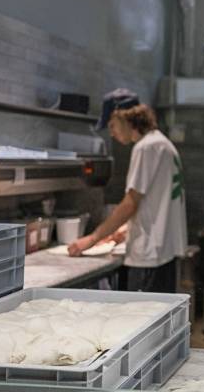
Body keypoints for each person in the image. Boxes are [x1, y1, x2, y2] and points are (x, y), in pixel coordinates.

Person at [69, 89, 187, 293]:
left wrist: (91, 239)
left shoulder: (145, 147)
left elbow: (131, 203)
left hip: (150, 256)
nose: (112, 133)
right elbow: (156, 201)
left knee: (145, 320)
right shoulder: (162, 143)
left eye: (112, 125)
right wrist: (123, 231)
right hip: (164, 253)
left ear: (121, 116)